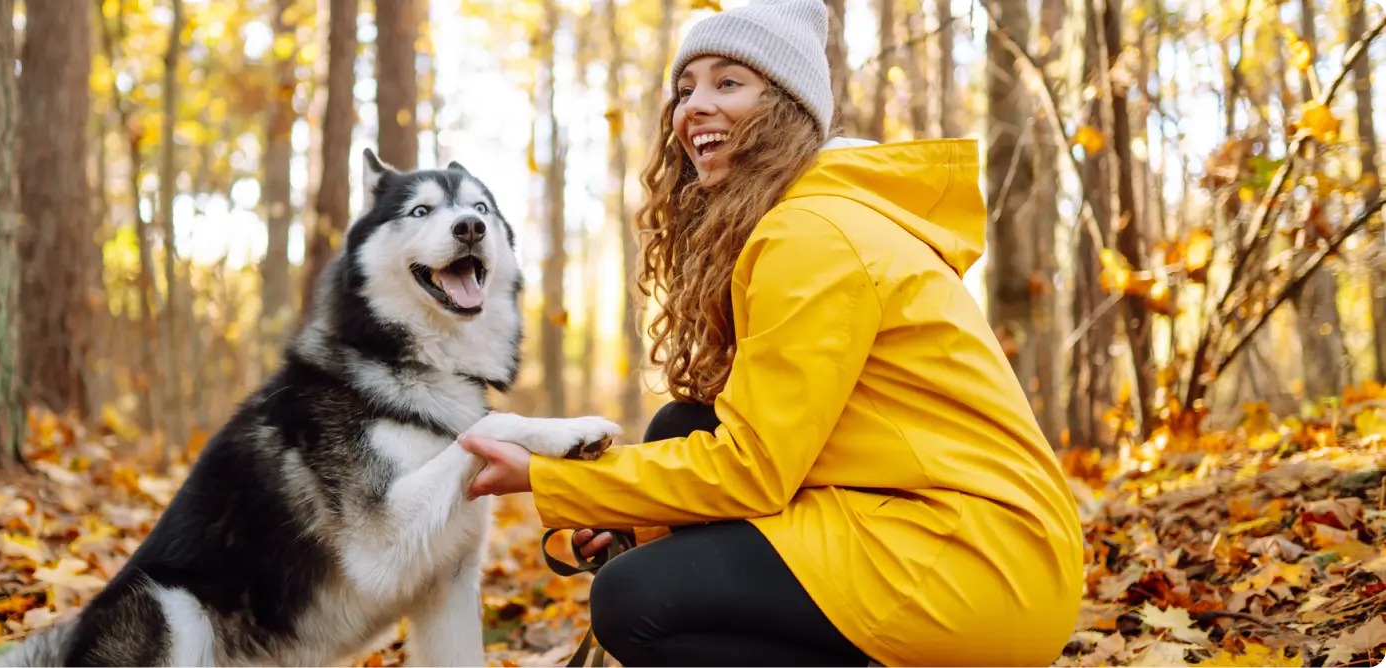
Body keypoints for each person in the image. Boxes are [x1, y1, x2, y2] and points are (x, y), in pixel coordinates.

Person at [460, 0, 1085, 665]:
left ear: (784, 110)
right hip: (949, 536)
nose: (694, 105)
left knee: (633, 601)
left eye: (728, 82)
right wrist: (633, 522)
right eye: (685, 87)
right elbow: (774, 444)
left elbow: (753, 471)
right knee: (684, 422)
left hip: (979, 566)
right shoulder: (807, 217)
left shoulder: (811, 233)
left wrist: (549, 478)